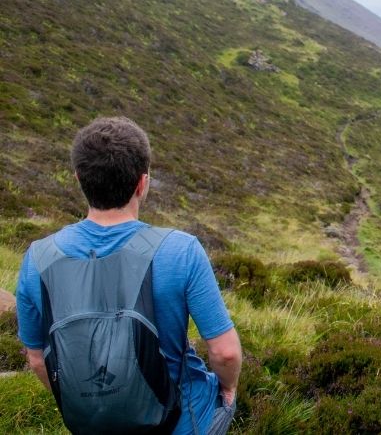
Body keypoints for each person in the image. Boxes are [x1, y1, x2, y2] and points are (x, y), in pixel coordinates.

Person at [16, 117, 242, 434]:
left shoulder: (37, 258)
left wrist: (95, 407)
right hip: (176, 420)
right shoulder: (180, 250)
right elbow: (225, 353)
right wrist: (229, 391)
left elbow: (38, 360)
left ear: (79, 178)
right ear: (142, 183)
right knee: (213, 395)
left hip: (90, 420)